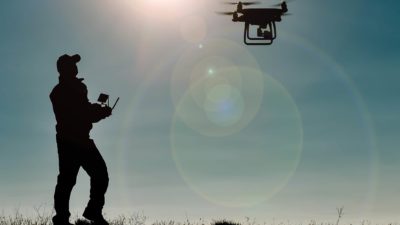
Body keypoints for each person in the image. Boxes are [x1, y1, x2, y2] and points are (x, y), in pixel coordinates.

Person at [50, 54, 112, 225]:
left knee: (93, 175)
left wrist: (97, 111)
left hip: (79, 139)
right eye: (72, 64)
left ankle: (90, 212)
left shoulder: (73, 88)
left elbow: (84, 110)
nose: (76, 66)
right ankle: (64, 218)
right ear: (67, 68)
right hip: (71, 140)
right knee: (69, 180)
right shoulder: (63, 91)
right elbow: (81, 113)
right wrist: (100, 112)